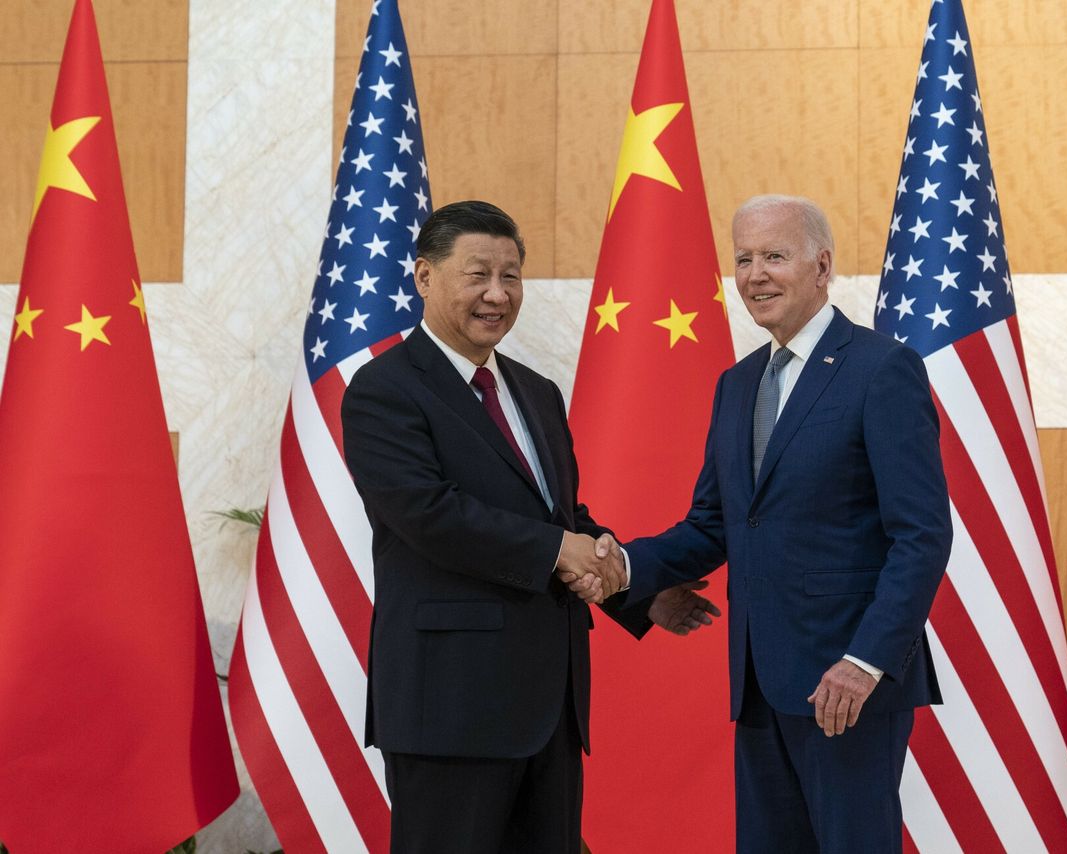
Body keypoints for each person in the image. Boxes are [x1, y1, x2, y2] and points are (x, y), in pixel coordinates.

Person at [565, 195, 952, 852]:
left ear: (822, 265)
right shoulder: (738, 385)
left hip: (846, 686)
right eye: (743, 259)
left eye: (775, 256)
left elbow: (922, 535)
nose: (754, 275)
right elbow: (715, 524)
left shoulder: (881, 369)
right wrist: (624, 568)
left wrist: (864, 662)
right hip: (758, 682)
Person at [341, 200, 718, 854]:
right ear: (425, 278)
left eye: (511, 276)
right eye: (477, 274)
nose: (497, 294)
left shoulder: (535, 390)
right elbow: (430, 516)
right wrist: (560, 548)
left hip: (551, 707)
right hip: (451, 709)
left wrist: (637, 590)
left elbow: (563, 519)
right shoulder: (384, 390)